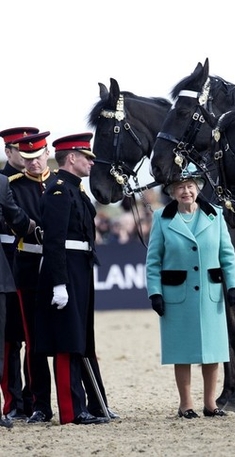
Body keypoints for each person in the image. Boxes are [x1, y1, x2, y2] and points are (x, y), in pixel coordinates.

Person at [146, 163, 235, 419]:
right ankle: (185, 404)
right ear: (172, 191)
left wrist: (233, 286)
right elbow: (153, 260)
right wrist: (154, 293)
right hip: (177, 295)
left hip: (211, 294)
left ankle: (211, 404)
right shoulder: (162, 219)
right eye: (180, 188)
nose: (186, 191)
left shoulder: (216, 214)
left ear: (197, 188)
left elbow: (227, 255)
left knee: (212, 351)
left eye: (189, 186)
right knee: (182, 351)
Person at [35, 133, 110, 425]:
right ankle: (71, 410)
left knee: (81, 338)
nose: (91, 162)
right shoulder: (58, 191)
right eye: (86, 157)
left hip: (80, 266)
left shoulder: (75, 190)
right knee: (67, 340)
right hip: (65, 268)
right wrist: (58, 283)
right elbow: (54, 241)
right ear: (71, 158)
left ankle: (94, 405)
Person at [8, 131, 56, 423]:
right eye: (27, 158)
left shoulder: (62, 184)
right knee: (33, 341)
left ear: (47, 153)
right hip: (28, 265)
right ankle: (39, 404)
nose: (33, 163)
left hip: (59, 264)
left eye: (37, 156)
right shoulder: (13, 187)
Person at [0, 126, 38, 421]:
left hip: (30, 264)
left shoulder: (38, 183)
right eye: (18, 148)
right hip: (6, 262)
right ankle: (12, 401)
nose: (26, 153)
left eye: (30, 147)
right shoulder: (4, 182)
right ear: (8, 152)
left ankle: (32, 398)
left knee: (32, 336)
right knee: (9, 338)